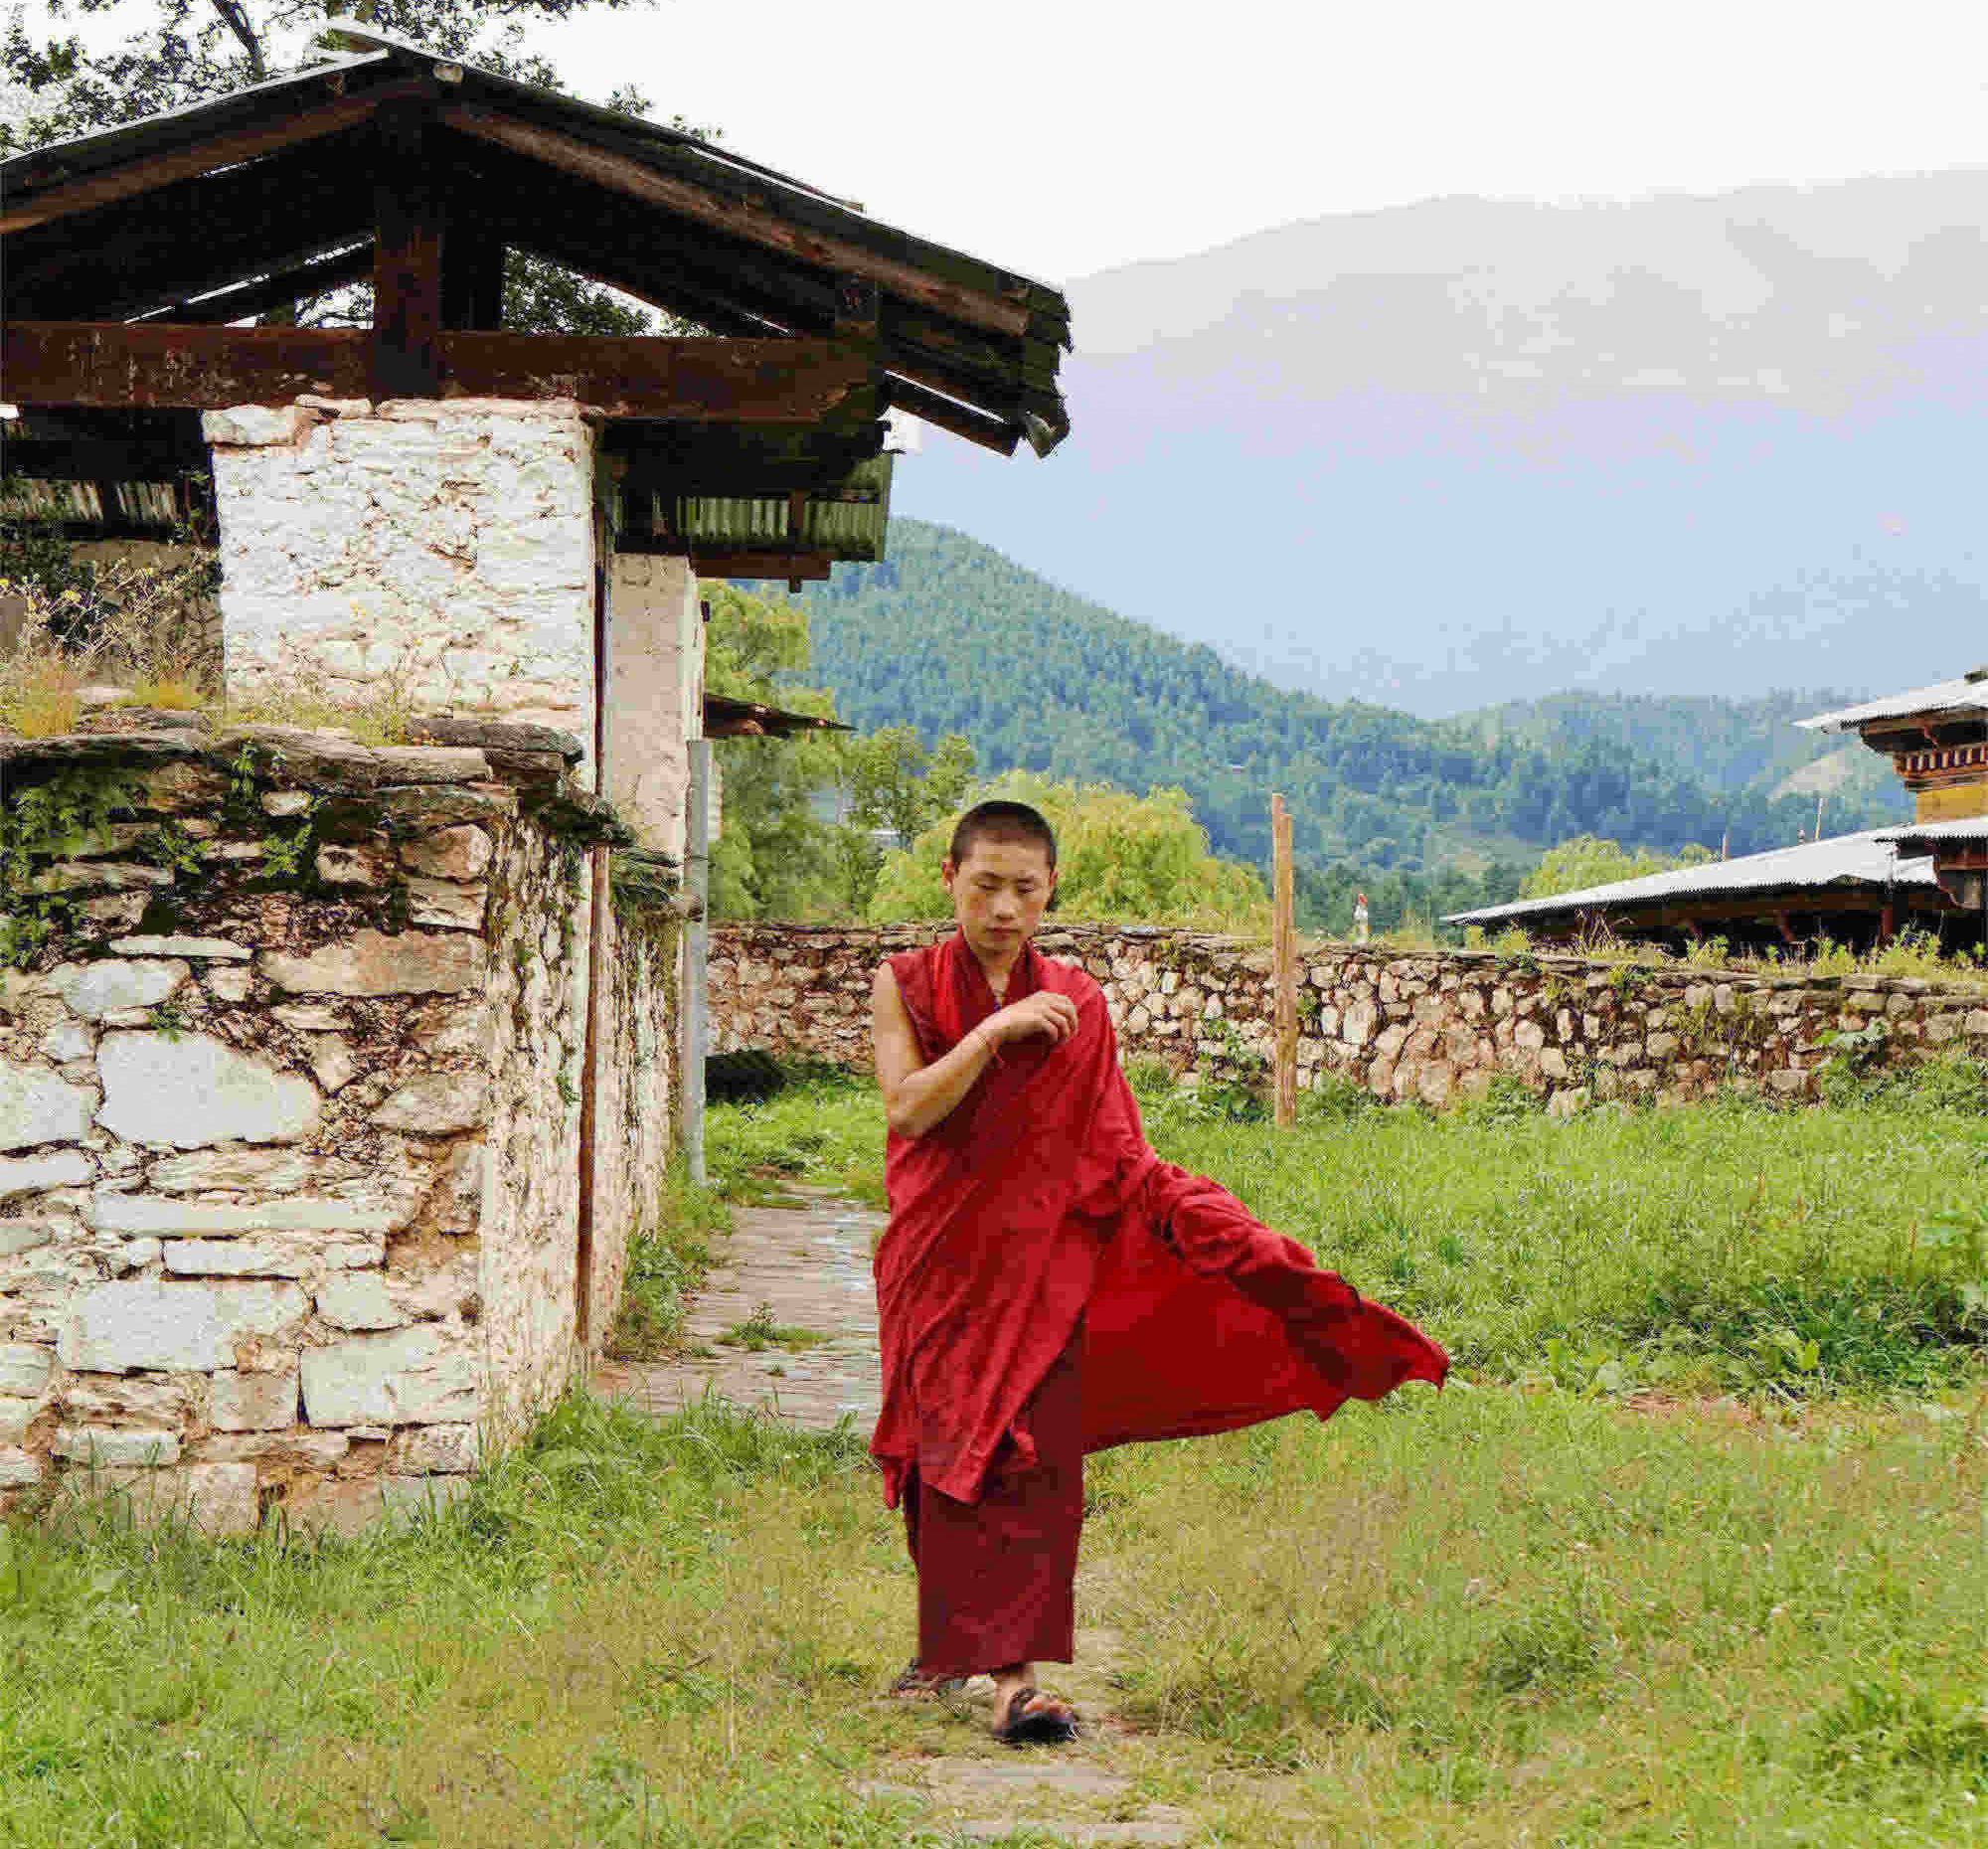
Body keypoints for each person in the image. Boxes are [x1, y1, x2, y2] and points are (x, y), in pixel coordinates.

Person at [870, 800, 1447, 1747]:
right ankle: (948, 1648)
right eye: (987, 886)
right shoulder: (904, 985)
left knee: (1027, 1460)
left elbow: (1111, 1146)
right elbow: (907, 1111)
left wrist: (1211, 1230)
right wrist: (993, 1035)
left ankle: (1016, 1682)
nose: (1006, 909)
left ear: (1050, 888)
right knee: (942, 1459)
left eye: (1025, 888)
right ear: (949, 879)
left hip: (1045, 1268)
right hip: (938, 1260)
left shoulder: (1080, 1004)